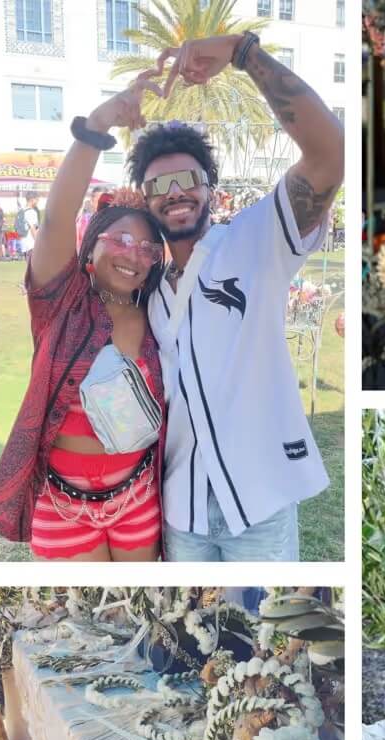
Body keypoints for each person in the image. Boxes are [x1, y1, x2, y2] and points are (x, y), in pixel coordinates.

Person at [132, 32, 341, 560]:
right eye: (158, 185)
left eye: (187, 179)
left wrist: (245, 54)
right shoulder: (146, 288)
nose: (174, 192)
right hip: (182, 508)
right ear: (145, 201)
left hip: (260, 502)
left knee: (270, 630)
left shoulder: (255, 240)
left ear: (210, 189)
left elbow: (331, 153)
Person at [0, 74, 166, 560]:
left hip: (137, 497)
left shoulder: (157, 316)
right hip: (64, 505)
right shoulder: (59, 303)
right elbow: (56, 218)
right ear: (91, 247)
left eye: (148, 247)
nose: (135, 253)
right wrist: (98, 125)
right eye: (122, 240)